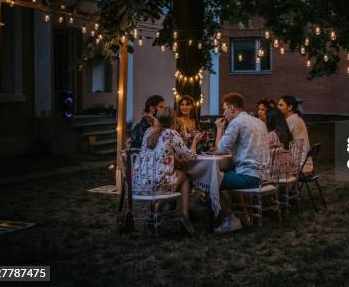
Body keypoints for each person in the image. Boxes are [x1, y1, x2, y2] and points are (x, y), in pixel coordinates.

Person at [132, 107, 203, 234]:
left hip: (140, 184)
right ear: (173, 120)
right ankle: (184, 216)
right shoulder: (171, 134)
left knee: (171, 178)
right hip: (157, 185)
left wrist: (173, 157)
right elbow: (190, 157)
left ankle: (156, 214)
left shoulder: (149, 132)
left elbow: (158, 152)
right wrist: (195, 142)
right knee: (185, 177)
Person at [213, 92, 268, 233]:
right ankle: (244, 216)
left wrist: (219, 128)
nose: (224, 114)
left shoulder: (236, 122)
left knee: (212, 180)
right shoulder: (259, 122)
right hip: (264, 175)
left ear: (232, 108)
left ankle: (231, 220)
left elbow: (220, 149)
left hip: (250, 176)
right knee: (226, 173)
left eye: (224, 109)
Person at [278, 95, 312, 171]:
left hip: (300, 163)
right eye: (278, 105)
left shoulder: (291, 120)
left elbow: (281, 140)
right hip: (305, 160)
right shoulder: (296, 118)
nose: (278, 107)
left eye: (281, 105)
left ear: (290, 107)